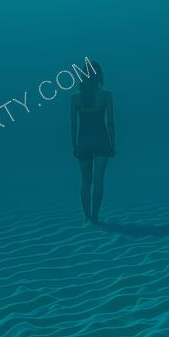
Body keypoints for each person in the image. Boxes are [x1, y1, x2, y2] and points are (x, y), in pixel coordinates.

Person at [72, 63, 115, 223]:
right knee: (98, 181)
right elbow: (110, 122)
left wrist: (74, 145)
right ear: (99, 76)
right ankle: (96, 217)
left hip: (84, 141)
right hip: (102, 140)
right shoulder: (106, 95)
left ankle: (87, 218)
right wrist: (113, 144)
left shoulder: (76, 97)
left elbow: (73, 124)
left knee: (85, 182)